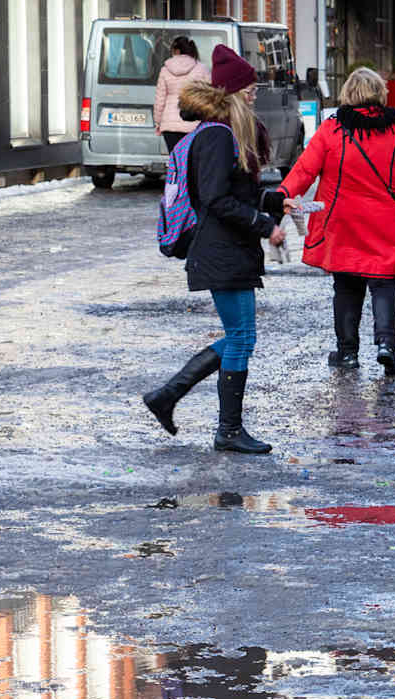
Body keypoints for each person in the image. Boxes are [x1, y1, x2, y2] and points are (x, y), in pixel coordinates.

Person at [142, 46, 286, 455]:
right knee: (241, 336)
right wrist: (264, 225)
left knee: (241, 337)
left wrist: (275, 204)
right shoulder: (218, 137)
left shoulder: (221, 136)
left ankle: (174, 399)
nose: (255, 94)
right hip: (220, 250)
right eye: (250, 88)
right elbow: (216, 200)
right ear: (234, 94)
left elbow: (238, 192)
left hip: (227, 250)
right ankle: (219, 425)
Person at [274, 67, 395, 375]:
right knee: (386, 285)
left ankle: (347, 353)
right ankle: (387, 346)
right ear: (380, 93)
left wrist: (282, 195)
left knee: (346, 286)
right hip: (390, 223)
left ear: (347, 94)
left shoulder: (332, 131)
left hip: (343, 223)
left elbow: (305, 170)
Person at [154, 36, 210, 153]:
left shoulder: (165, 70)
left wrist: (158, 122)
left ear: (175, 50)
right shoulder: (203, 69)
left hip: (169, 124)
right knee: (192, 162)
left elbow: (160, 99)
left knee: (176, 160)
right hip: (195, 123)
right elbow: (209, 97)